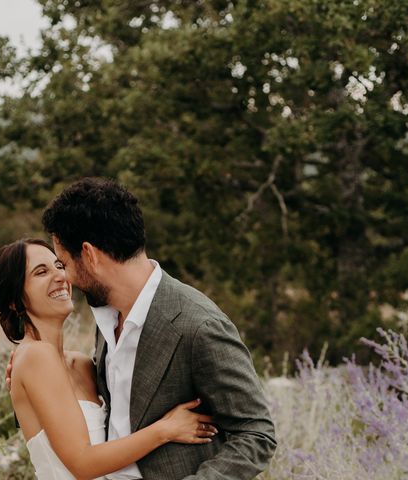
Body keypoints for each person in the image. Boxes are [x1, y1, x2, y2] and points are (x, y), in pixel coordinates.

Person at [38, 178, 277, 479]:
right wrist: (49, 365)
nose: (67, 278)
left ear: (89, 255)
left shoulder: (198, 325)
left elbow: (257, 433)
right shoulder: (108, 316)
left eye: (64, 263)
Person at [0, 238, 219, 480]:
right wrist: (165, 430)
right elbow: (83, 464)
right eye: (41, 272)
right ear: (14, 301)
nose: (60, 276)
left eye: (58, 265)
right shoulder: (35, 356)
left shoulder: (83, 364)